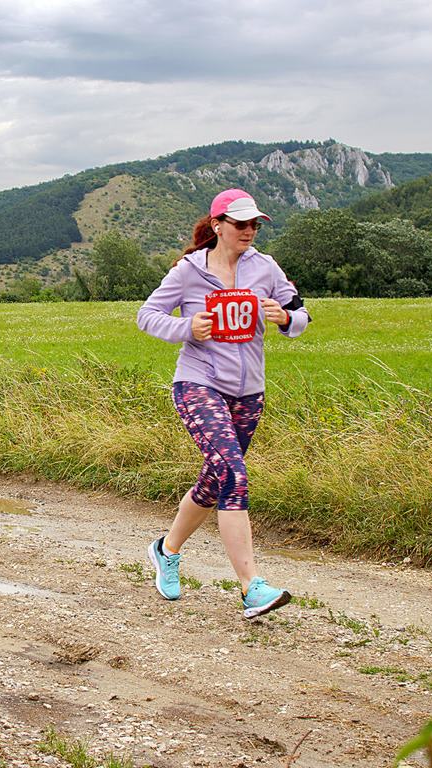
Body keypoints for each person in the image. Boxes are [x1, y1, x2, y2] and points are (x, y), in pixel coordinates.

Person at [136, 189, 310, 619]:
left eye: (254, 224)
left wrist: (286, 318)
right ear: (218, 225)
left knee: (216, 481)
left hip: (248, 393)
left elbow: (301, 314)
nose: (249, 231)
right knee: (234, 474)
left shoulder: (266, 267)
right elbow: (147, 316)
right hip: (198, 384)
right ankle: (252, 587)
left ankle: (166, 550)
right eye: (240, 224)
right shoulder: (189, 271)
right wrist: (187, 328)